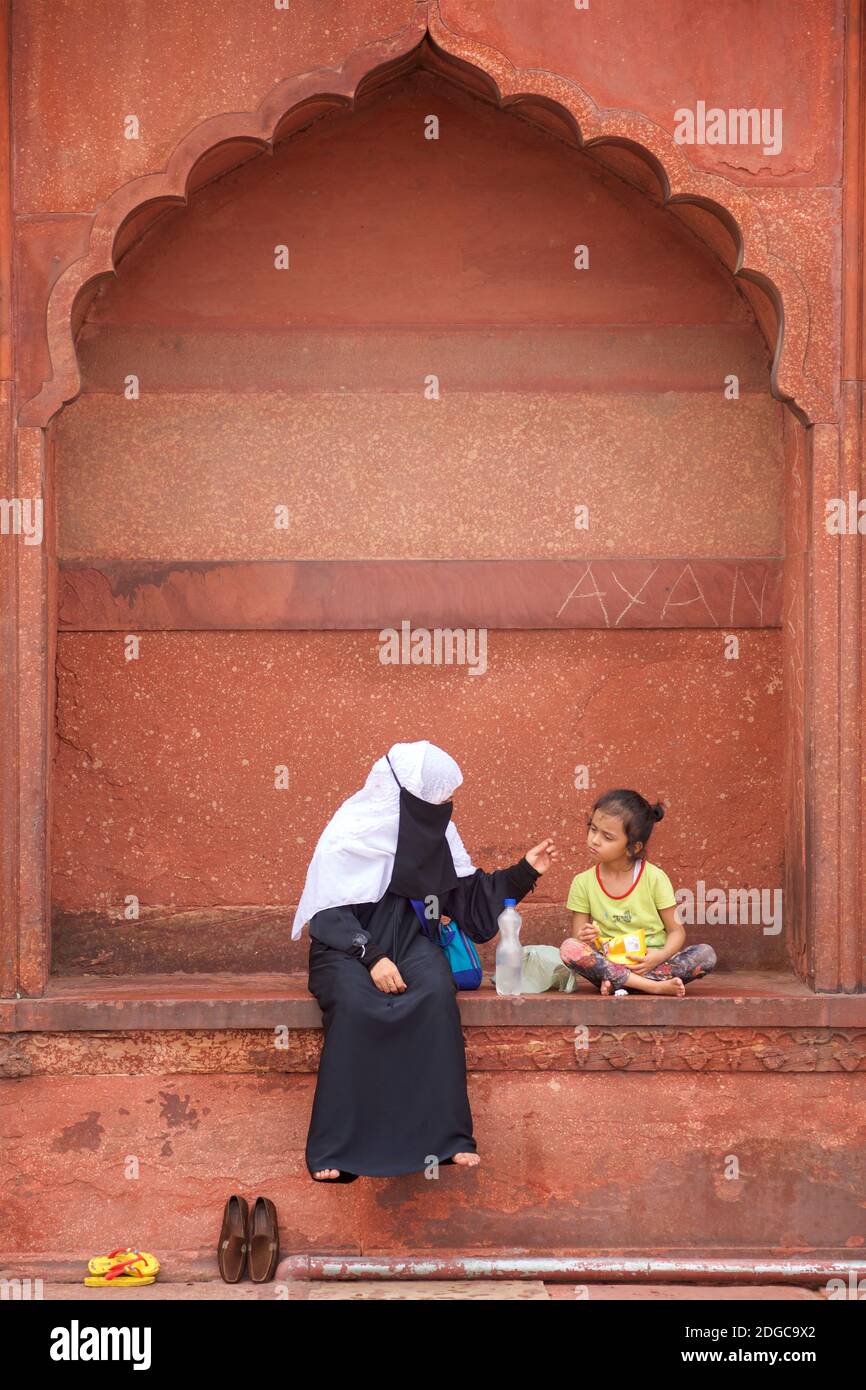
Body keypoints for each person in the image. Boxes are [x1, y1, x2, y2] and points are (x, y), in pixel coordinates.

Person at [291, 740, 557, 1180]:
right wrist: (371, 956)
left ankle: (446, 1141)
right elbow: (326, 914)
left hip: (412, 940)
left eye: (444, 800)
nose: (442, 809)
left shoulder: (436, 836)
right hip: (346, 947)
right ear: (404, 794)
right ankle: (338, 1151)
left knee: (435, 992)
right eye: (433, 799)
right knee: (357, 1006)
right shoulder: (350, 831)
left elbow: (469, 901)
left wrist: (524, 870)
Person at [559, 789, 717, 996]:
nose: (594, 840)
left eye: (607, 836)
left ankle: (623, 984)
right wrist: (588, 938)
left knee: (706, 954)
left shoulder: (654, 878)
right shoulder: (583, 882)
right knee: (569, 948)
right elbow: (578, 942)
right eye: (593, 829)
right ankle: (653, 987)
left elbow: (677, 931)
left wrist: (659, 956)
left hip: (651, 963)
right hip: (612, 964)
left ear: (633, 847)